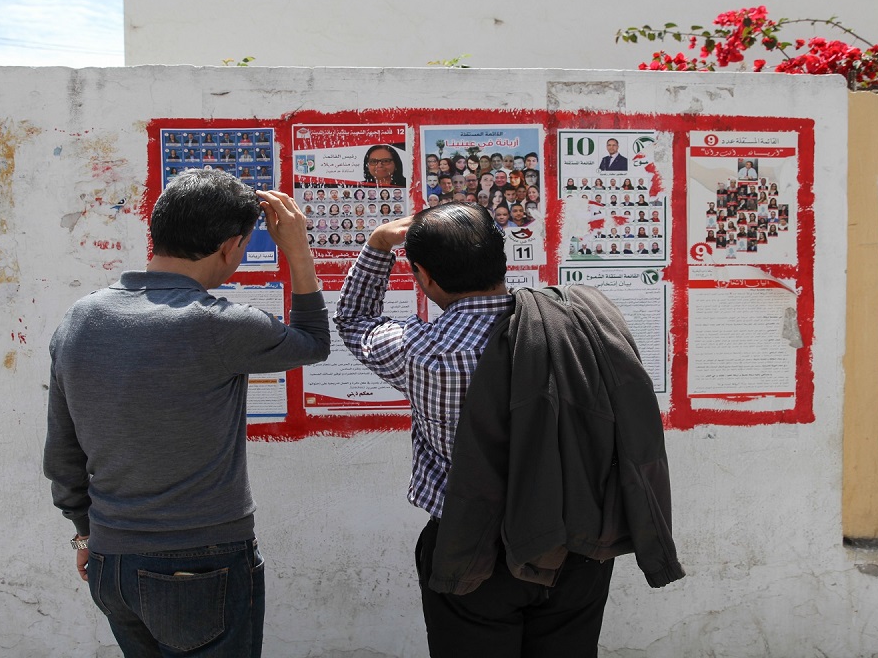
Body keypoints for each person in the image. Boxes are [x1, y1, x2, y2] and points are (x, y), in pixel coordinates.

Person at [335, 204, 683, 658]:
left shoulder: (421, 354)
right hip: (575, 543)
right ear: (503, 260)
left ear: (423, 276)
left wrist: (379, 245)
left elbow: (352, 320)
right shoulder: (574, 324)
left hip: (472, 549)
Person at [44, 169, 330, 658]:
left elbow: (63, 448)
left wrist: (83, 533)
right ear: (230, 247)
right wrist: (298, 251)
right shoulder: (219, 324)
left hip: (111, 560)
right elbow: (313, 342)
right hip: (202, 562)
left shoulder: (82, 317)